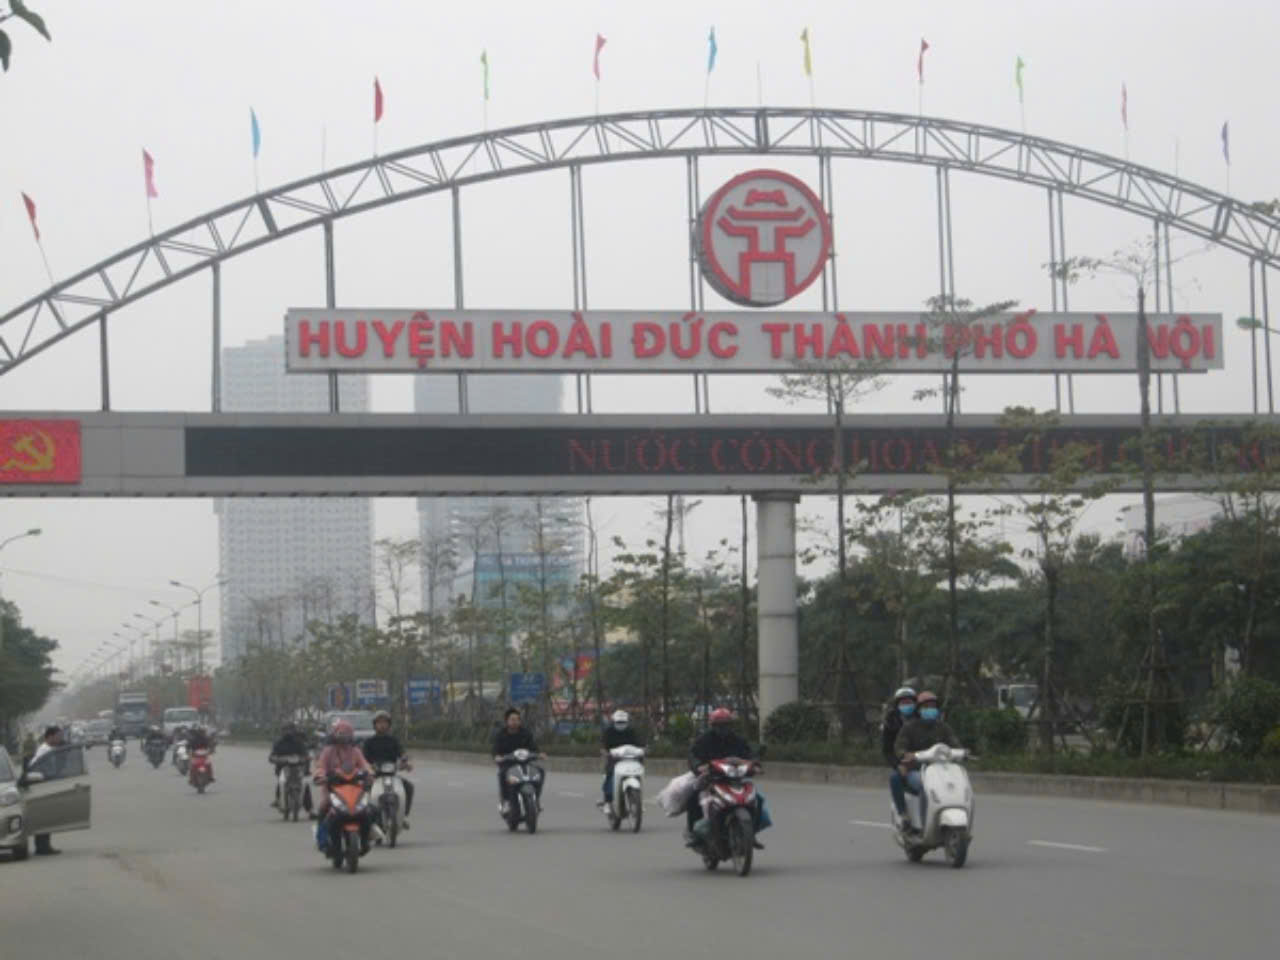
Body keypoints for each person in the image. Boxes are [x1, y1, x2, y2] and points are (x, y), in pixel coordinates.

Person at [685, 708, 762, 849]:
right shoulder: (704, 740)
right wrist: (699, 766)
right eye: (719, 725)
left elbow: (750, 754)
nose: (722, 729)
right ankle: (693, 834)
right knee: (693, 798)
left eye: (726, 725)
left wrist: (755, 764)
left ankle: (751, 834)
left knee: (758, 799)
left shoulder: (738, 740)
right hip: (711, 779)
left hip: (736, 779)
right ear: (712, 726)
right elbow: (693, 755)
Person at [892, 690, 962, 832]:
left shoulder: (943, 727)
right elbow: (900, 747)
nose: (930, 709)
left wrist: (962, 752)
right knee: (925, 787)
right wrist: (906, 755)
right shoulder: (909, 728)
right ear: (919, 709)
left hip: (942, 770)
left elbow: (955, 744)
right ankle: (923, 825)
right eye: (926, 707)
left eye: (932, 706)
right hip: (918, 770)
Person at [311, 720, 372, 850]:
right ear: (334, 735)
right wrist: (320, 776)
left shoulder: (355, 751)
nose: (344, 738)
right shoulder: (328, 751)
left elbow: (364, 765)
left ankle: (367, 839)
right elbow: (321, 766)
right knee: (323, 808)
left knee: (367, 811)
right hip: (332, 789)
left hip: (354, 787)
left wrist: (370, 773)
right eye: (341, 734)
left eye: (347, 734)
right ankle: (322, 839)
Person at [360, 710, 415, 827]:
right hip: (374, 776)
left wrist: (405, 762)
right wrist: (368, 766)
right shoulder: (369, 742)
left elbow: (402, 753)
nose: (382, 725)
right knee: (362, 790)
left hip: (391, 775)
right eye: (379, 722)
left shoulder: (393, 740)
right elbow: (363, 759)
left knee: (409, 787)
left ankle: (403, 816)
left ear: (389, 724)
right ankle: (363, 816)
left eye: (385, 722)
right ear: (375, 725)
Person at [491, 707, 544, 814]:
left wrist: (539, 754)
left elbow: (533, 747)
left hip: (525, 763)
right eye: (512, 719)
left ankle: (536, 799)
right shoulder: (501, 734)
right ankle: (505, 801)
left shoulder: (526, 733)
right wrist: (497, 757)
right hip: (508, 764)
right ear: (507, 721)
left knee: (540, 771)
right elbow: (495, 750)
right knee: (502, 774)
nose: (515, 722)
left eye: (517, 719)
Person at [883, 686, 916, 827]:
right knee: (895, 778)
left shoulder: (922, 719)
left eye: (909, 702)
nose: (907, 705)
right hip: (904, 763)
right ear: (897, 705)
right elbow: (887, 751)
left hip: (925, 760)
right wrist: (898, 765)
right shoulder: (891, 723)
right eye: (903, 703)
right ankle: (903, 814)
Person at [28, 726, 64, 855]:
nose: (60, 738)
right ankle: (43, 847)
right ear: (50, 736)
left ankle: (43, 846)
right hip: (42, 786)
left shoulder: (49, 749)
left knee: (46, 817)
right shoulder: (44, 751)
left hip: (45, 785)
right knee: (44, 817)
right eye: (58, 736)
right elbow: (38, 768)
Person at [597, 709, 642, 810]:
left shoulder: (631, 731)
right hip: (614, 759)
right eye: (619, 722)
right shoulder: (609, 731)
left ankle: (636, 798)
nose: (621, 724)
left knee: (638, 772)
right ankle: (608, 802)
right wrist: (605, 753)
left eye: (623, 722)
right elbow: (603, 746)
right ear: (614, 722)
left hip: (630, 759)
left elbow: (639, 744)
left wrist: (643, 750)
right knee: (610, 776)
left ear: (627, 722)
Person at [268, 721, 312, 810]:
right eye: (286, 730)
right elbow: (272, 755)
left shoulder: (299, 742)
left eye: (290, 729)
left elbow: (305, 754)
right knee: (281, 782)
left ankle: (310, 810)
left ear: (294, 730)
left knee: (305, 785)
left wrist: (305, 758)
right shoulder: (279, 742)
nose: (288, 732)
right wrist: (275, 759)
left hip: (298, 768)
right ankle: (278, 800)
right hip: (283, 768)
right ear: (282, 731)